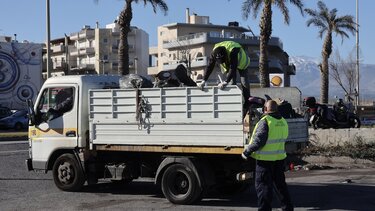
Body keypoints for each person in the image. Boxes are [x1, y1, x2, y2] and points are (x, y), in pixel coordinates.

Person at [242, 100, 293, 211]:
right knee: (281, 187)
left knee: (264, 188)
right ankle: (287, 208)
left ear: (265, 109)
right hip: (279, 159)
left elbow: (258, 141)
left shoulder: (265, 121)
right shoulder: (283, 121)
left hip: (264, 162)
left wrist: (246, 152)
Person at [197, 41, 251, 116]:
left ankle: (247, 101)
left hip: (242, 61)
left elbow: (233, 67)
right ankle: (232, 103)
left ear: (225, 55)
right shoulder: (214, 53)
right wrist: (203, 80)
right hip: (230, 62)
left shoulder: (233, 51)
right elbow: (210, 67)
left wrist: (225, 81)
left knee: (244, 82)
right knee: (231, 83)